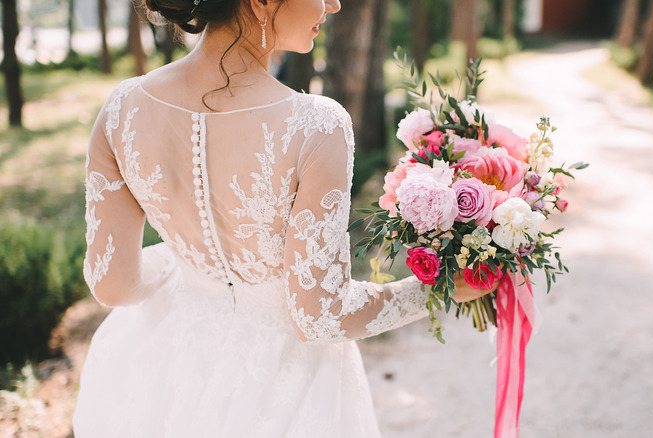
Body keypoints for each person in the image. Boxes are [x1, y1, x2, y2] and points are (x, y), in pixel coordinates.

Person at [73, 0, 490, 436]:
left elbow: (113, 285)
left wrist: (186, 262)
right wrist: (433, 292)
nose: (333, 4)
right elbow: (321, 317)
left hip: (164, 374)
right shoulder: (316, 125)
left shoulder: (122, 108)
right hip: (282, 386)